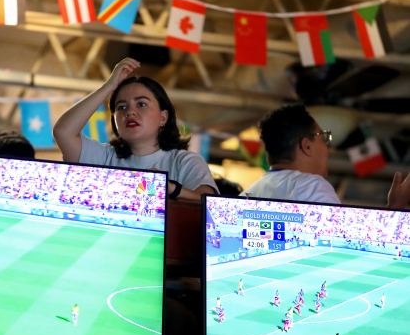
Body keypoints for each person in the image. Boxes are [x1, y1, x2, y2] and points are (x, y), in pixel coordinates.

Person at [53, 57, 218, 201]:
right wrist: (109, 86)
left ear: (163, 117)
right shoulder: (105, 157)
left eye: (141, 104)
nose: (130, 112)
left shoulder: (185, 161)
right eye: (121, 107)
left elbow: (207, 203)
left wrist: (168, 188)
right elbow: (63, 132)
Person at [241, 104, 410, 208]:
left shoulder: (246, 195)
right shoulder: (310, 186)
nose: (328, 147)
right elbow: (341, 249)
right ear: (307, 146)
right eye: (323, 138)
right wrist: (396, 206)